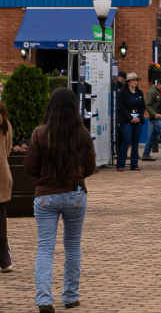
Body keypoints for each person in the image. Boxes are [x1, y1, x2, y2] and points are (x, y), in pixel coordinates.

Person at [24, 88, 96, 311]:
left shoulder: (40, 133)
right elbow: (90, 168)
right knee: (73, 246)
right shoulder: (82, 134)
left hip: (46, 194)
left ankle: (44, 300)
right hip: (75, 194)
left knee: (45, 248)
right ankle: (70, 296)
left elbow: (29, 167)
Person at [115, 72, 145, 172]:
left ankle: (134, 164)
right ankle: (121, 163)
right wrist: (130, 118)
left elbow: (143, 107)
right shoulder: (123, 93)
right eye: (133, 80)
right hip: (126, 119)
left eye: (136, 80)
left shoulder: (140, 93)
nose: (135, 82)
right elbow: (121, 107)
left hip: (138, 119)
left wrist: (139, 117)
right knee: (126, 139)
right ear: (128, 82)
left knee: (135, 141)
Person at [142, 78, 161, 161]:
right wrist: (154, 114)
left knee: (153, 136)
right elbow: (147, 105)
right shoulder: (152, 92)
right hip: (155, 117)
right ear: (159, 84)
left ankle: (146, 154)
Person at [0, 103, 12, 273]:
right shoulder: (5, 123)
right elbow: (8, 150)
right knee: (1, 222)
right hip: (2, 175)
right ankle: (5, 261)